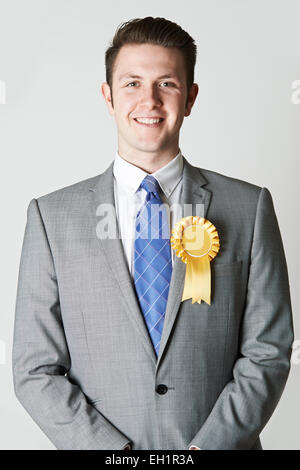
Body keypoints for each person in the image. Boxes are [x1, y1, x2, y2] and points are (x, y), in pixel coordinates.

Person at [12, 16, 294, 450]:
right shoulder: (51, 218)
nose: (150, 100)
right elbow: (35, 370)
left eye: (167, 83)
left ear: (191, 97)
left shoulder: (249, 207)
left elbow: (268, 350)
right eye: (131, 84)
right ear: (107, 96)